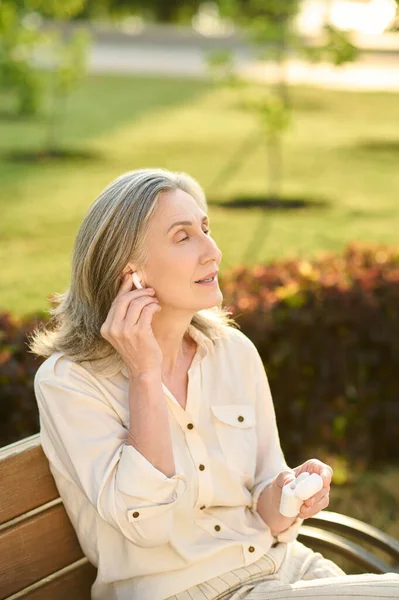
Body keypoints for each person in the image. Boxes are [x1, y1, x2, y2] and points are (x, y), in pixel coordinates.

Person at [30, 168, 399, 600]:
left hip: (285, 568)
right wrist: (145, 374)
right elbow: (146, 526)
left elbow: (267, 502)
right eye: (184, 236)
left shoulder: (232, 351)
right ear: (131, 273)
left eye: (206, 228)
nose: (214, 251)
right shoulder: (70, 384)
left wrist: (289, 493)